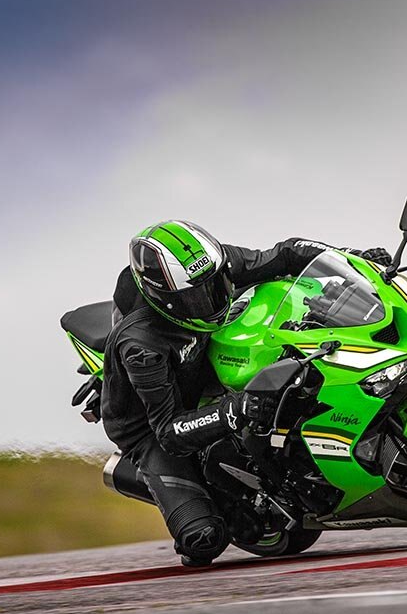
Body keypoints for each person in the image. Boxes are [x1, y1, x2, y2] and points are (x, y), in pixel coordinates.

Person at [100, 221, 390, 566]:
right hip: (151, 427)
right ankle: (188, 493)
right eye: (196, 297)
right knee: (204, 540)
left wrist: (353, 260)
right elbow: (169, 432)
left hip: (206, 364)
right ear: (165, 300)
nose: (212, 298)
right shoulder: (141, 346)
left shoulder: (212, 264)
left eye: (215, 285)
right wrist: (235, 409)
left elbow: (287, 253)